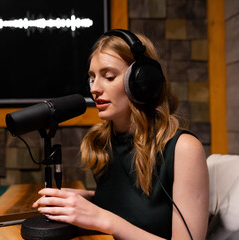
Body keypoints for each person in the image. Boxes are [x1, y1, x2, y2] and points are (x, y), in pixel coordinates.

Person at [32, 29, 209, 240]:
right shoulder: (101, 142)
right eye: (91, 78)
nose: (95, 89)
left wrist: (103, 218)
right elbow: (137, 208)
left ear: (142, 81)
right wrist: (90, 199)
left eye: (108, 76)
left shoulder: (184, 149)